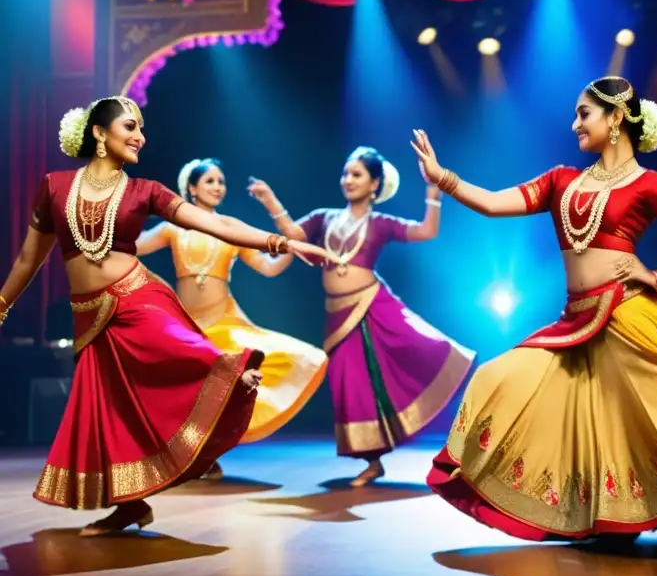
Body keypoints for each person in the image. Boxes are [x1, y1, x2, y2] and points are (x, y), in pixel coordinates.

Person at [413, 76, 657, 544]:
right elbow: (496, 205)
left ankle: (623, 519)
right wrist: (443, 179)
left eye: (584, 113)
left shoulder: (650, 184)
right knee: (500, 378)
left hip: (628, 314)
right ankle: (604, 514)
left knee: (636, 418)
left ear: (616, 118)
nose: (574, 122)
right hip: (575, 318)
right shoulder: (562, 180)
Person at [0, 96, 333, 536]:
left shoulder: (146, 191)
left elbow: (218, 226)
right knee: (107, 410)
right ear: (99, 133)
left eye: (142, 128)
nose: (140, 136)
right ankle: (131, 506)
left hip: (137, 297)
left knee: (182, 349)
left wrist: (282, 244)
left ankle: (231, 376)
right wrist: (2, 306)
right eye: (130, 126)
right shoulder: (55, 186)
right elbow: (28, 259)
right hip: (89, 312)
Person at [247, 146, 475, 486]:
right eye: (345, 174)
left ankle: (458, 433)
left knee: (419, 353)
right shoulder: (324, 217)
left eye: (357, 175)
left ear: (374, 184)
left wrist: (433, 191)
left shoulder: (380, 223)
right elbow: (294, 236)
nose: (348, 180)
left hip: (373, 305)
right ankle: (372, 461)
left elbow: (426, 232)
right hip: (338, 315)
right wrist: (270, 201)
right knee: (349, 384)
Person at [136, 158, 329, 480]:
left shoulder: (230, 227)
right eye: (210, 181)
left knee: (229, 385)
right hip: (186, 326)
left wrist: (292, 251)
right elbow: (133, 247)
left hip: (225, 322)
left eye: (221, 182)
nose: (217, 187)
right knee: (183, 391)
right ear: (192, 188)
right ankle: (182, 457)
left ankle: (207, 457)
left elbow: (267, 267)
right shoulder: (172, 226)